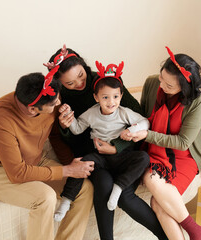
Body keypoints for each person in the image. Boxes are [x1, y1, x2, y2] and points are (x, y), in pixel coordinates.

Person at [47, 44, 168, 240]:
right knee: (103, 184)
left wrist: (116, 147)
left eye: (80, 75)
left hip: (124, 152)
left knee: (125, 198)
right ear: (61, 84)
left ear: (84, 67)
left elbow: (139, 122)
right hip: (95, 158)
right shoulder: (59, 99)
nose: (78, 83)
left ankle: (166, 236)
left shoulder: (105, 82)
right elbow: (72, 136)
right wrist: (64, 127)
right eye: (69, 83)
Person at [0, 66, 95, 240]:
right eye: (54, 104)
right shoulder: (1, 118)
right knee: (45, 198)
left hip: (36, 161)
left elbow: (54, 136)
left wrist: (72, 166)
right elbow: (17, 172)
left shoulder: (48, 99)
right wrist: (67, 171)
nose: (59, 104)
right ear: (32, 109)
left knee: (83, 189)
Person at [127, 46, 201, 240]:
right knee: (151, 180)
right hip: (153, 150)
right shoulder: (152, 83)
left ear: (185, 88)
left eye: (169, 86)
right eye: (162, 78)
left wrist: (147, 135)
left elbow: (183, 143)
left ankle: (194, 230)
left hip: (183, 156)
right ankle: (194, 230)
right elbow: (142, 116)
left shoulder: (197, 100)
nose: (162, 85)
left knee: (158, 203)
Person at [54, 60, 150, 221]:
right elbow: (77, 129)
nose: (111, 102)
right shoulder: (90, 113)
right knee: (82, 163)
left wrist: (129, 131)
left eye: (115, 97)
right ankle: (66, 201)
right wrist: (67, 120)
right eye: (105, 97)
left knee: (143, 158)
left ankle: (118, 189)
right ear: (96, 97)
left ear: (121, 96)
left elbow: (145, 122)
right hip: (99, 157)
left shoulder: (123, 110)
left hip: (121, 154)